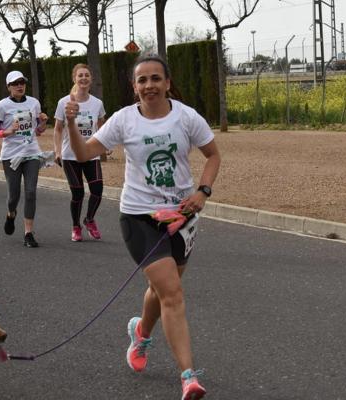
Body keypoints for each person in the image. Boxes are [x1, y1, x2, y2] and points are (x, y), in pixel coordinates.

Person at [65, 55, 220, 400]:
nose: (149, 85)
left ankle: (141, 332)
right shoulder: (124, 120)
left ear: (167, 82)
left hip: (182, 216)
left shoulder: (186, 116)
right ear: (134, 87)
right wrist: (73, 125)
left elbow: (213, 155)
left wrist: (202, 192)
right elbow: (82, 153)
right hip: (138, 217)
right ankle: (188, 376)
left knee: (163, 287)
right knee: (172, 293)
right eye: (142, 80)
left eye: (155, 79)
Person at [0, 71, 48, 248]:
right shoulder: (2, 106)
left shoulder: (34, 103)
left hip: (31, 152)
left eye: (22, 82)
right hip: (11, 155)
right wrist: (9, 131)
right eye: (15, 83)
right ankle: (10, 213)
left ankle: (28, 233)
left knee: (30, 193)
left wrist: (43, 123)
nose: (20, 86)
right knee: (13, 195)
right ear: (8, 87)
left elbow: (37, 131)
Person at [53, 64, 106, 242]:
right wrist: (57, 151)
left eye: (87, 75)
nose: (83, 78)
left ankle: (89, 219)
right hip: (70, 155)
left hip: (91, 153)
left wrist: (105, 143)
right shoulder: (64, 102)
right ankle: (76, 226)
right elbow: (58, 129)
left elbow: (101, 126)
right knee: (78, 194)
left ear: (91, 79)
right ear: (74, 79)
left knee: (97, 190)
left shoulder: (97, 103)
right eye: (80, 75)